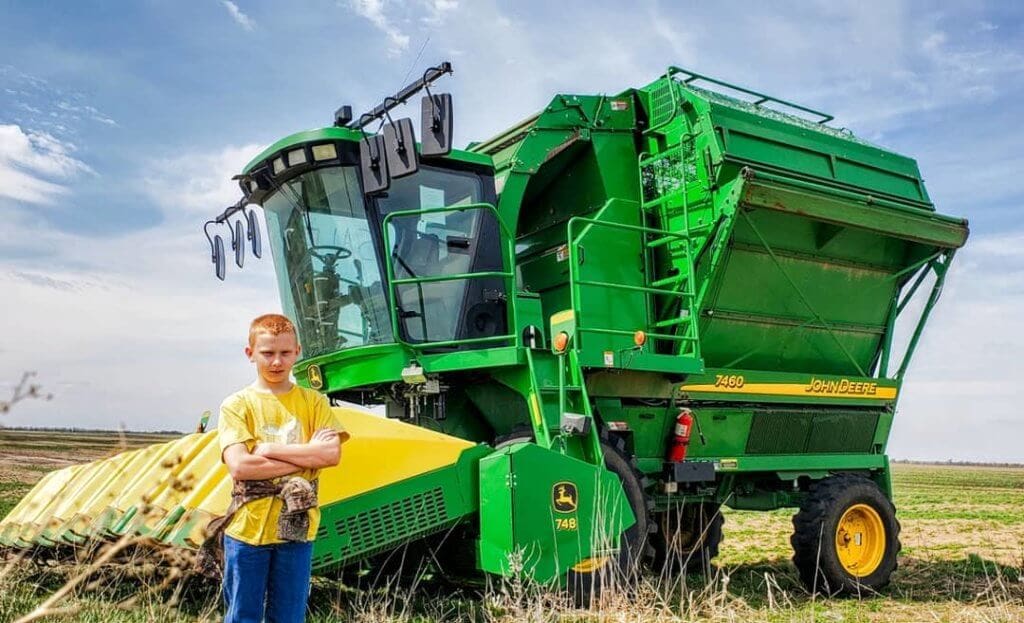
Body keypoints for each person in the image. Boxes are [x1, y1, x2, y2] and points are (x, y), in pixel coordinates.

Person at [215, 313, 347, 623]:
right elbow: (240, 466)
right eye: (267, 353)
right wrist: (306, 454)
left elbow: (330, 455)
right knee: (242, 616)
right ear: (250, 354)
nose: (277, 362)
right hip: (247, 527)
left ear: (298, 352)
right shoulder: (237, 405)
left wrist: (271, 450)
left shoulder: (314, 402)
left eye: (285, 353)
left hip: (297, 527)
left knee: (289, 616)